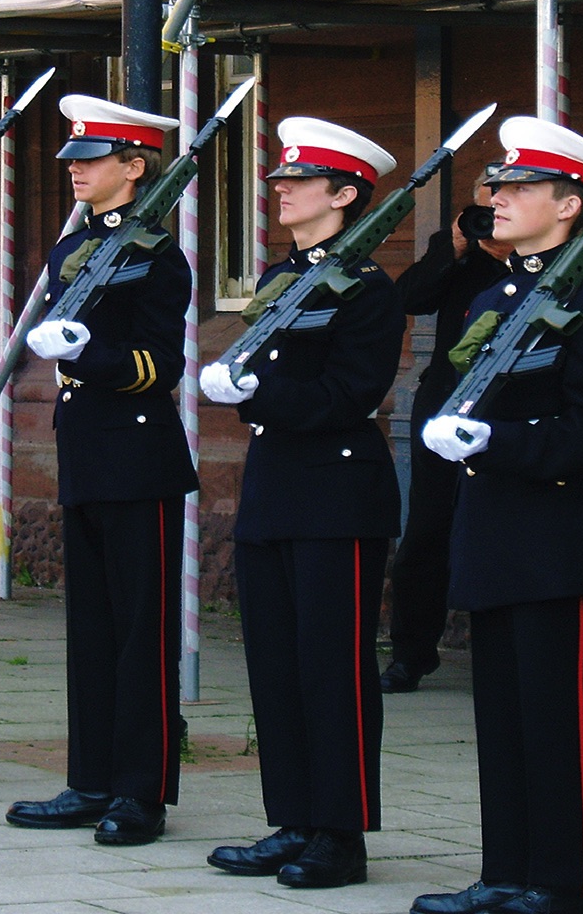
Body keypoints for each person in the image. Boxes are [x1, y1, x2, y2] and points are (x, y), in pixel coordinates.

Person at [414, 117, 583, 914]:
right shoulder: (504, 291)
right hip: (494, 529)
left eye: (517, 187)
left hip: (554, 536)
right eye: (498, 185)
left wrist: (495, 438)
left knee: (557, 722)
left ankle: (566, 882)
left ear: (570, 204)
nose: (496, 198)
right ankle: (505, 870)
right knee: (503, 720)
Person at [198, 118, 403, 888]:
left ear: (345, 194)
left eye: (299, 179)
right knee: (277, 669)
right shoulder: (287, 280)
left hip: (336, 494)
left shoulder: (368, 290)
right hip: (276, 489)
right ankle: (292, 818)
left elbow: (351, 393)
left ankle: (340, 834)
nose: (279, 188)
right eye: (280, 177)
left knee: (333, 669)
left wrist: (262, 393)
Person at [7, 96, 196, 847]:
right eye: (75, 161)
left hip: (139, 454)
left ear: (135, 167)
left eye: (92, 161)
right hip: (84, 448)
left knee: (140, 633)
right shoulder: (71, 249)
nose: (78, 172)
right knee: (89, 629)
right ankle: (89, 778)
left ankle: (140, 792)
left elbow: (160, 364)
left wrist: (86, 351)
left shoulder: (155, 254)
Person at [383, 170, 511, 693]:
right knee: (427, 531)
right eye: (484, 204)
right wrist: (456, 243)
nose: (494, 213)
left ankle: (502, 653)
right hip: (445, 408)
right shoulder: (460, 252)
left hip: (507, 413)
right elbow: (407, 298)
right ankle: (411, 654)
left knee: (504, 529)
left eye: (503, 200)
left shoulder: (552, 266)